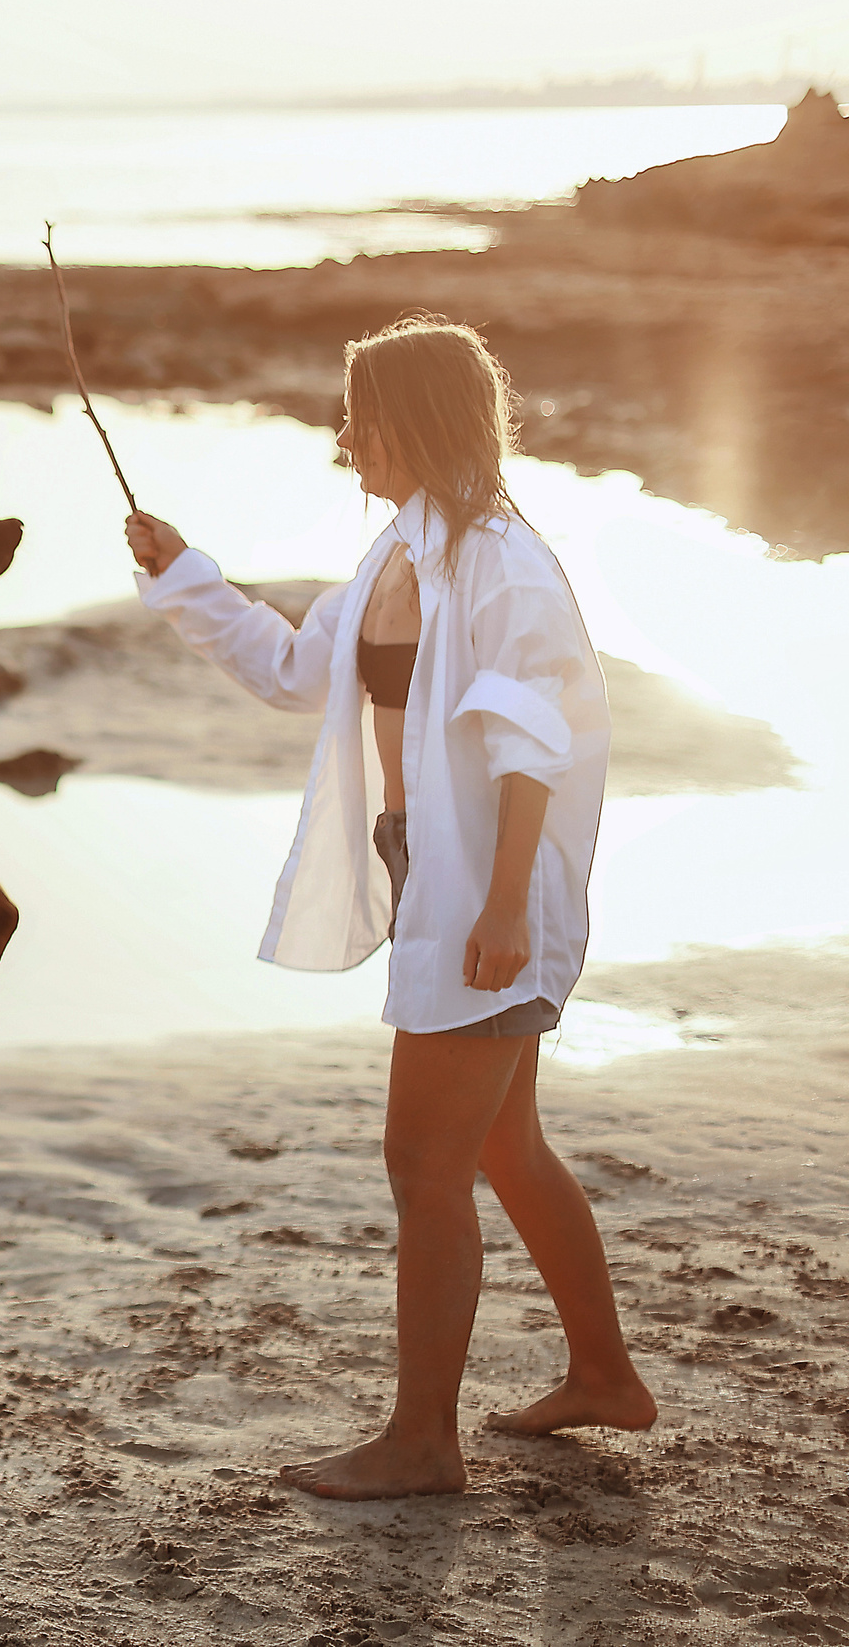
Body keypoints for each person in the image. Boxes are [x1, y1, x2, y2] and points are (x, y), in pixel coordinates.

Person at [122, 315, 656, 1501]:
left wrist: (506, 908)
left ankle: (422, 1443)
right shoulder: (394, 552)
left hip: (489, 887)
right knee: (504, 1147)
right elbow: (290, 672)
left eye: (358, 415)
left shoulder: (503, 563)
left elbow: (534, 748)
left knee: (422, 1164)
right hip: (431, 870)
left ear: (410, 421)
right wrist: (183, 575)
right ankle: (605, 1375)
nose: (342, 437)